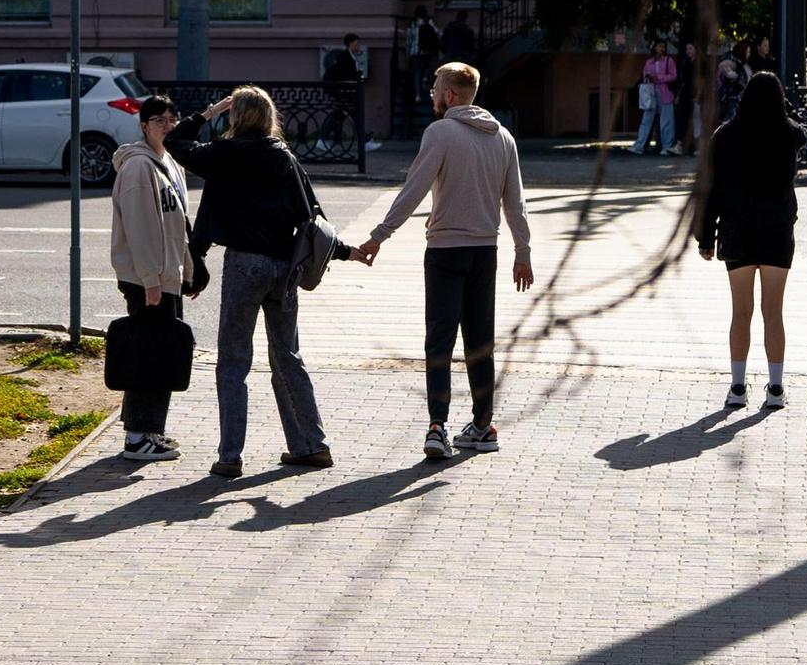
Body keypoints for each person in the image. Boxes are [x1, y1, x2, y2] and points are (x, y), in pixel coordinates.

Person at [353, 62, 534, 459]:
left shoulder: (439, 133)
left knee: (439, 338)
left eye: (436, 87)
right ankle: (483, 426)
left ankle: (438, 425)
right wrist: (523, 252)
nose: (432, 93)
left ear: (450, 95)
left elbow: (414, 188)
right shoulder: (503, 137)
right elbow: (515, 203)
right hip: (486, 252)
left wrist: (378, 236)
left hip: (445, 251)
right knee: (480, 340)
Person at [166, 87, 334, 478]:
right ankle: (311, 446)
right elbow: (311, 215)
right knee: (288, 358)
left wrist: (209, 112)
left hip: (245, 265)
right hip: (283, 267)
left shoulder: (224, 155)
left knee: (234, 360)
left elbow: (176, 141)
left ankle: (230, 457)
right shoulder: (283, 157)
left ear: (236, 117)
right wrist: (343, 251)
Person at [697, 69, 803, 408]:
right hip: (776, 234)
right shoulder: (787, 134)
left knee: (740, 312)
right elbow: (805, 132)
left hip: (737, 232)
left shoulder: (725, 136)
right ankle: (775, 389)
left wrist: (705, 236)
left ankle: (738, 387)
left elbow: (710, 190)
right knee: (774, 312)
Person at [108, 93, 193, 464]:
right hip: (149, 279)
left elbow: (178, 225)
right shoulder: (139, 168)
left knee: (157, 352)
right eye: (160, 121)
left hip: (164, 274)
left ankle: (145, 429)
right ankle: (137, 437)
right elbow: (141, 228)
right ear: (144, 126)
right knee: (151, 355)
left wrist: (186, 272)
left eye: (172, 120)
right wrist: (151, 281)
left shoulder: (169, 163)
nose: (168, 126)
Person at [633, 40, 676, 155]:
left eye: (663, 47)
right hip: (651, 93)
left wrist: (659, 77)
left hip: (665, 93)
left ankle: (667, 147)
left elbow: (673, 76)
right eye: (659, 46)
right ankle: (639, 146)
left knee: (666, 121)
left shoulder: (669, 61)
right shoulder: (649, 62)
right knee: (646, 120)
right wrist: (649, 77)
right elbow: (644, 76)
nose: (662, 49)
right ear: (654, 48)